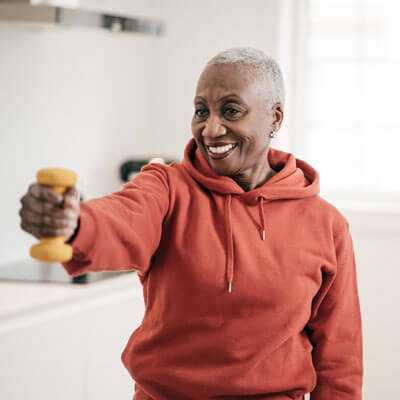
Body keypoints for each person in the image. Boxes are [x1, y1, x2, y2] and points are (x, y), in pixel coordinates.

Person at [19, 47, 363, 400]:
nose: (211, 129)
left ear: (274, 118)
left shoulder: (327, 225)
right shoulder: (167, 188)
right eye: (201, 111)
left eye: (231, 110)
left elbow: (339, 359)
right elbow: (122, 217)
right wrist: (73, 221)